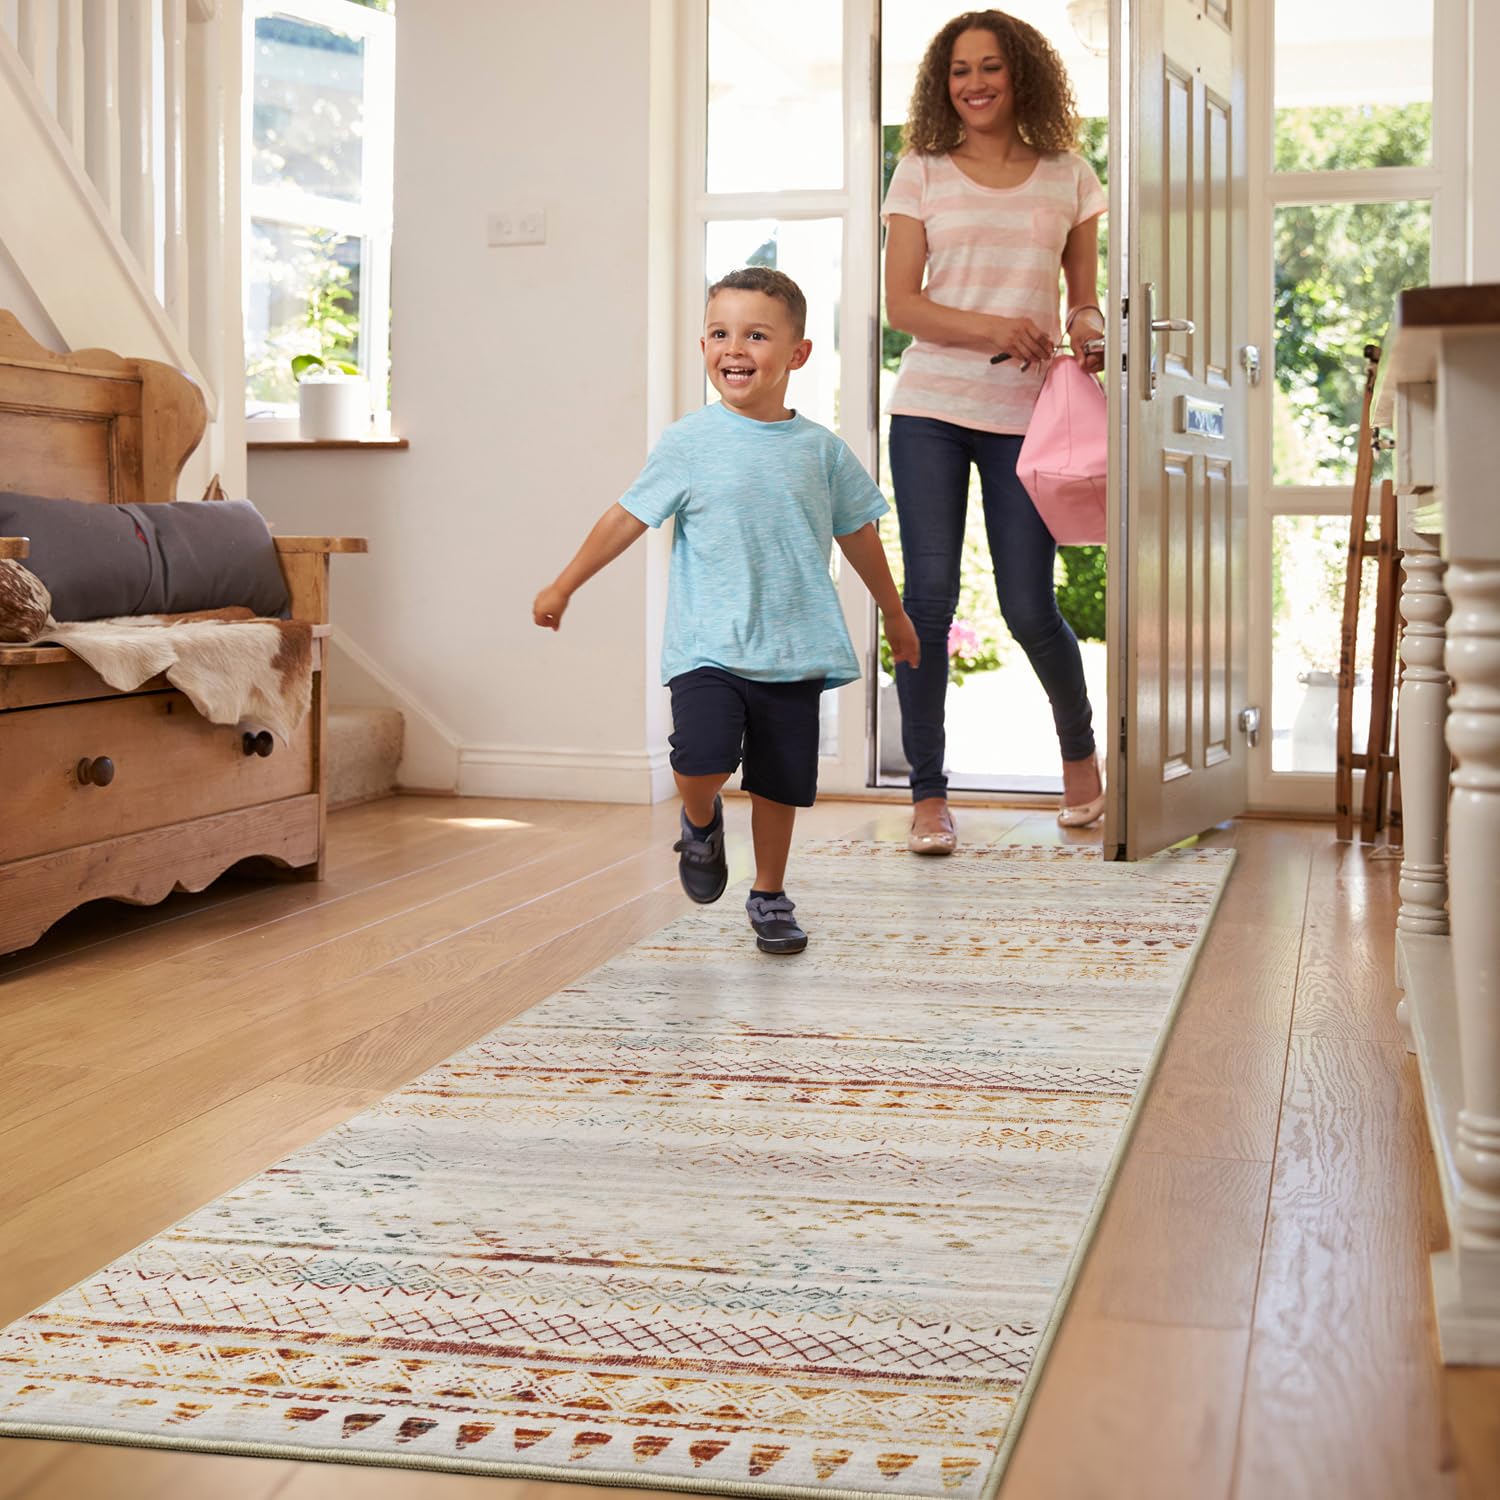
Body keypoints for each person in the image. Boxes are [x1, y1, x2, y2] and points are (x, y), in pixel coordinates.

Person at [533, 267, 919, 956]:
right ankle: (699, 818)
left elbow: (859, 532)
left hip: (793, 647)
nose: (733, 349)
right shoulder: (691, 441)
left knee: (779, 783)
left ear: (797, 353)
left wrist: (894, 613)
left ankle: (769, 892)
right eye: (719, 333)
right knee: (702, 757)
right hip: (708, 645)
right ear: (703, 345)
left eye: (756, 335)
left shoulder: (821, 450)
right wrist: (565, 584)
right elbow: (627, 517)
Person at [882, 8, 1108, 853]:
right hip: (931, 411)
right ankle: (928, 797)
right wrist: (995, 328)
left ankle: (1081, 758)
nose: (973, 84)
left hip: (1027, 419)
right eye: (958, 71)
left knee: (1028, 604)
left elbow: (1079, 291)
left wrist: (1084, 326)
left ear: (1022, 75)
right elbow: (903, 305)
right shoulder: (921, 171)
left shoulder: (1069, 175)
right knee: (928, 601)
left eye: (990, 68)